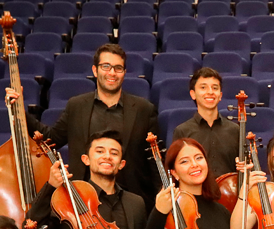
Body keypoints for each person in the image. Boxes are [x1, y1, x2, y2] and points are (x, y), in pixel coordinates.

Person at [8, 44, 160, 210]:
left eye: (118, 68)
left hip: (131, 204)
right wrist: (20, 111)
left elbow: (154, 160)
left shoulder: (144, 109)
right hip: (84, 203)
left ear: (124, 73)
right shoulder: (77, 106)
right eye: (106, 66)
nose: (112, 73)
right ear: (95, 70)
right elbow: (50, 139)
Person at [26, 130, 148, 229]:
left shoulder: (136, 203)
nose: (107, 156)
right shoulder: (67, 200)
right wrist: (50, 186)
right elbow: (30, 227)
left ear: (121, 164)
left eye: (114, 153)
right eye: (99, 151)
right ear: (86, 159)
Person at [141, 138, 239, 229]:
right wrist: (159, 211)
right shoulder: (166, 206)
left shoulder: (220, 209)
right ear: (174, 173)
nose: (194, 165)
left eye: (199, 158)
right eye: (184, 161)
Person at [172, 67, 241, 177]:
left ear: (220, 96)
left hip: (231, 192)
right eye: (203, 87)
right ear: (193, 94)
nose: (210, 92)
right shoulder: (182, 131)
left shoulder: (235, 130)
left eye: (215, 88)